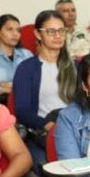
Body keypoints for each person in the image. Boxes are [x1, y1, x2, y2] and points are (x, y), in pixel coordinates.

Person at [12, 10, 78, 165]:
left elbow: (88, 101)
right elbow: (22, 110)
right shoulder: (27, 68)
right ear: (37, 34)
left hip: (76, 129)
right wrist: (48, 126)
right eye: (51, 31)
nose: (57, 36)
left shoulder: (76, 66)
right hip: (44, 131)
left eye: (61, 31)